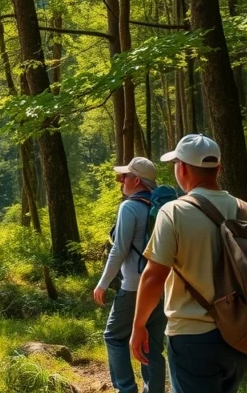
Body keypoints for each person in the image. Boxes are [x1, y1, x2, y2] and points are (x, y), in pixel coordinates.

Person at [130, 134, 247, 393]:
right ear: (219, 168)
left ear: (181, 167)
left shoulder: (174, 212)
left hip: (192, 338)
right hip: (243, 337)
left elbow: (154, 276)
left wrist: (138, 326)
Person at [94, 157, 167, 393]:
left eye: (124, 176)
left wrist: (102, 283)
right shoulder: (165, 208)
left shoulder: (129, 207)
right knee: (153, 345)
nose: (120, 181)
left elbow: (119, 249)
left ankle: (126, 390)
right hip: (164, 286)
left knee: (114, 337)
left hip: (135, 287)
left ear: (136, 180)